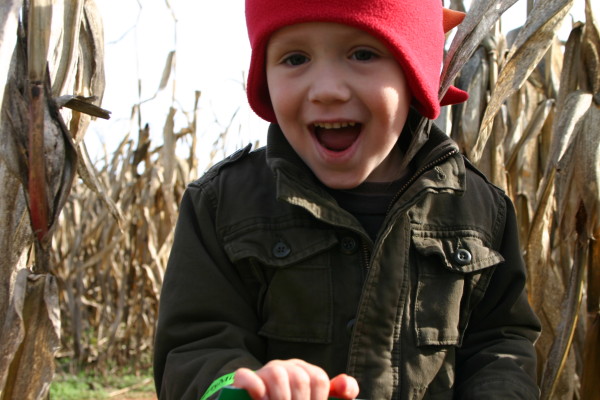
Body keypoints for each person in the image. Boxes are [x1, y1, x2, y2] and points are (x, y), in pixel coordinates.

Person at [153, 0, 542, 398]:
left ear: (415, 74)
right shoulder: (223, 205)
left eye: (363, 54)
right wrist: (238, 387)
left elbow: (500, 343)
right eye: (295, 58)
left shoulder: (480, 211)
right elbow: (195, 347)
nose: (327, 90)